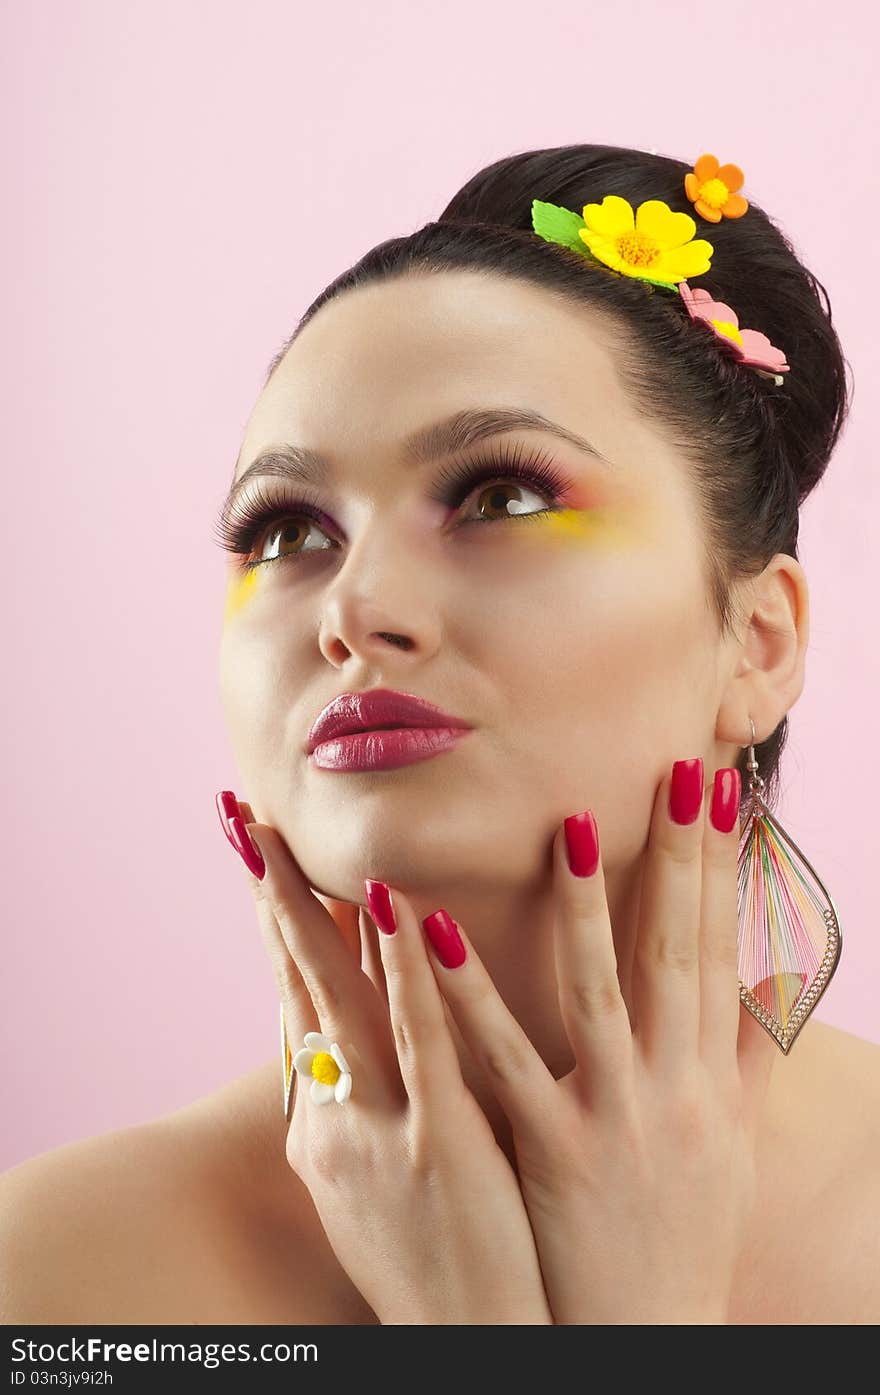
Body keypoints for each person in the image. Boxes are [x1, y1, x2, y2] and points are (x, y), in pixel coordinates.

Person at [2, 143, 878, 1325]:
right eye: (286, 530)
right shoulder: (60, 1278)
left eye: (499, 497)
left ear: (759, 641)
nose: (354, 610)